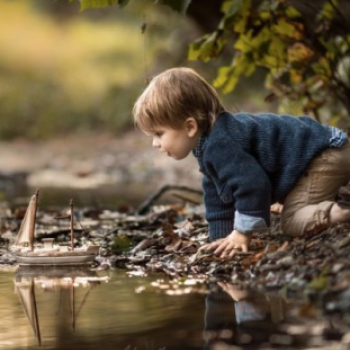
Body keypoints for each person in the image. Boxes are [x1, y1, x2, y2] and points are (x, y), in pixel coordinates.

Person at [133, 67, 350, 257]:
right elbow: (218, 196)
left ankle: (342, 210)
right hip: (322, 152)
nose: (155, 144)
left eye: (159, 134)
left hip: (324, 156)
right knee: (276, 204)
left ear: (190, 127)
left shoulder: (221, 144)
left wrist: (242, 233)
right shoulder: (209, 145)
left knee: (291, 221)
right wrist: (221, 238)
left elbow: (254, 185)